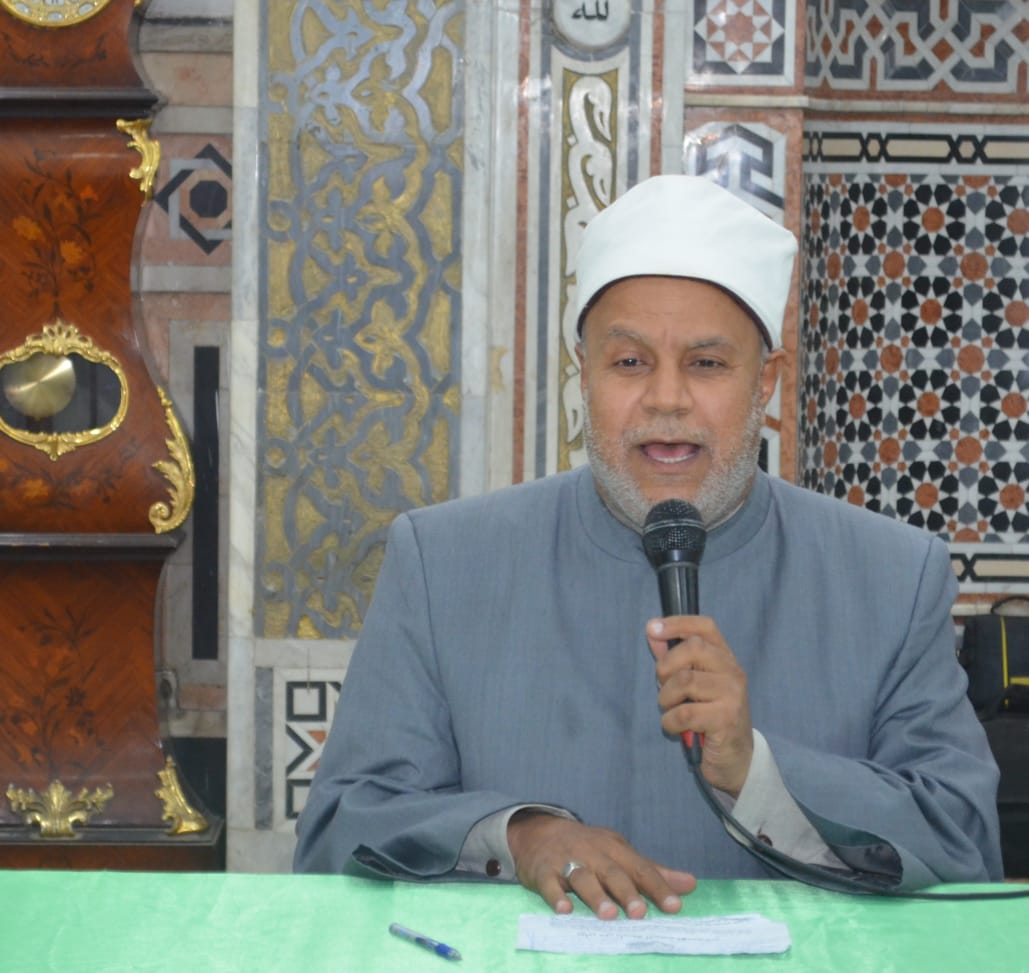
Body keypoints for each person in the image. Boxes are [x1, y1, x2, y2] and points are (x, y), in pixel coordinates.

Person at [293, 175, 1002, 919]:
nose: (666, 399)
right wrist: (518, 836)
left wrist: (756, 770)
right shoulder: (443, 562)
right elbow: (339, 831)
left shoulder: (892, 577)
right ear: (584, 373)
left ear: (765, 381)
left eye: (706, 364)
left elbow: (962, 842)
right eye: (629, 362)